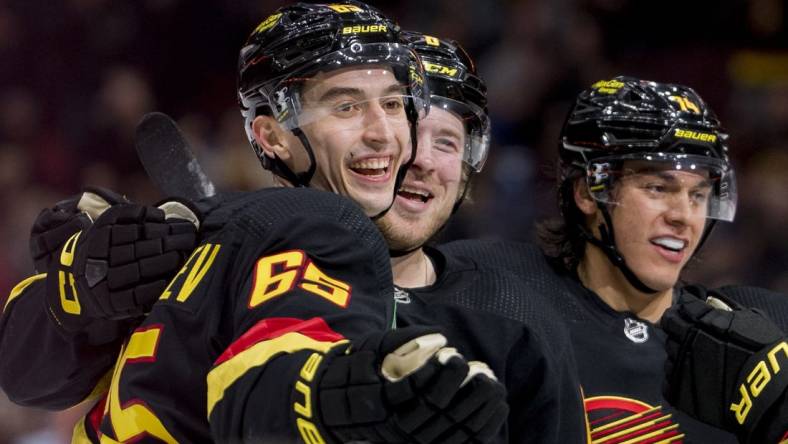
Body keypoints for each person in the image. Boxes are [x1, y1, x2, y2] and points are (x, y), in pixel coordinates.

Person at [2, 2, 507, 443]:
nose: (384, 133)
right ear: (271, 137)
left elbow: (21, 377)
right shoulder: (327, 227)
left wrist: (75, 287)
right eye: (347, 106)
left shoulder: (188, 233)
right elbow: (251, 393)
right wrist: (343, 394)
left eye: (395, 105)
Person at [441, 76, 788, 442]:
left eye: (699, 195)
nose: (684, 215)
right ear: (588, 193)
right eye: (658, 188)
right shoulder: (495, 300)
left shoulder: (763, 331)